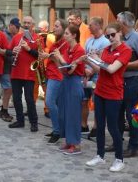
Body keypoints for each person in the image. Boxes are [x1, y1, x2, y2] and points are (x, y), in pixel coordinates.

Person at [84, 22, 132, 172]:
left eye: (113, 35)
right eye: (108, 35)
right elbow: (100, 69)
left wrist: (97, 60)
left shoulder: (126, 50)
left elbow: (111, 69)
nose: (110, 38)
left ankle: (119, 159)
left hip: (114, 93)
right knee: (99, 126)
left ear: (120, 33)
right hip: (100, 91)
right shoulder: (105, 49)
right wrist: (88, 60)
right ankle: (100, 155)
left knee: (112, 127)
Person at [116, 11, 138, 157]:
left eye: (117, 20)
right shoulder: (119, 37)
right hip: (119, 80)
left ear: (123, 23)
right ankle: (117, 142)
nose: (115, 22)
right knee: (118, 113)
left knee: (132, 115)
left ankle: (133, 146)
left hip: (133, 81)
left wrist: (124, 64)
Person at [53, 25, 85, 154]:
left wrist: (59, 57)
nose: (64, 36)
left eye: (66, 33)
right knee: (64, 113)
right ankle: (68, 140)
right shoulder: (67, 49)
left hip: (74, 82)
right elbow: (62, 67)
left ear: (74, 35)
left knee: (73, 114)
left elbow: (71, 69)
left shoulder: (79, 50)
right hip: (65, 82)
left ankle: (75, 144)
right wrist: (54, 58)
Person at [8, 16, 39, 132]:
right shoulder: (16, 37)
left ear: (33, 25)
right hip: (16, 72)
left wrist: (28, 49)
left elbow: (40, 55)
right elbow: (8, 53)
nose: (26, 25)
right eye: (24, 23)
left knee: (29, 99)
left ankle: (34, 122)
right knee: (16, 98)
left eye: (28, 23)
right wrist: (12, 52)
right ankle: (20, 121)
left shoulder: (37, 38)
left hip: (29, 73)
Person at [39, 19, 69, 144]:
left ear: (63, 28)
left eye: (57, 26)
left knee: (50, 102)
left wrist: (48, 56)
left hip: (57, 76)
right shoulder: (55, 42)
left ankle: (57, 131)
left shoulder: (65, 43)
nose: (54, 28)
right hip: (51, 74)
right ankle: (58, 129)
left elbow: (63, 60)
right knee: (55, 104)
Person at [81, 17, 110, 137]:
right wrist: (84, 71)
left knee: (97, 102)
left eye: (91, 25)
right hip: (86, 75)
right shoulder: (88, 40)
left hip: (97, 76)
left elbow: (103, 61)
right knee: (83, 100)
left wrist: (91, 71)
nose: (88, 27)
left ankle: (96, 127)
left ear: (98, 25)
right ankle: (83, 125)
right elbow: (85, 56)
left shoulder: (105, 42)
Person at [0, 17, 21, 122]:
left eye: (18, 27)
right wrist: (13, 57)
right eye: (16, 27)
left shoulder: (15, 36)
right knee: (8, 89)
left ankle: (4, 110)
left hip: (12, 68)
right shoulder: (4, 36)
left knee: (9, 90)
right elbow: (3, 51)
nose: (18, 29)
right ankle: (4, 111)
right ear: (10, 25)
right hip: (5, 67)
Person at [34, 20, 55, 118]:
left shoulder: (51, 37)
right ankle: (32, 107)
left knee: (46, 88)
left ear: (46, 29)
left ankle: (47, 109)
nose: (39, 30)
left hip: (46, 66)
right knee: (34, 88)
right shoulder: (37, 36)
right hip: (37, 65)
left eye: (41, 28)